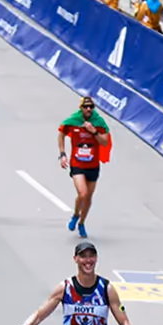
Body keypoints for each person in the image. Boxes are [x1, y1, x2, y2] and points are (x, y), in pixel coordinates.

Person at [10, 240, 139, 325]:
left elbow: (124, 322)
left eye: (91, 256)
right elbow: (40, 314)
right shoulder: (65, 288)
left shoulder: (106, 288)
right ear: (75, 259)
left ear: (96, 258)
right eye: (83, 256)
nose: (88, 261)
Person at [59, 97, 112, 239]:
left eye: (91, 107)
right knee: (82, 193)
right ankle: (76, 215)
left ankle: (82, 223)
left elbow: (105, 142)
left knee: (88, 197)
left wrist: (94, 131)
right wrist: (62, 154)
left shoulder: (99, 123)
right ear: (81, 108)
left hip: (93, 165)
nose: (89, 109)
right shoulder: (74, 121)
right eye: (86, 106)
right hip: (77, 164)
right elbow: (61, 133)